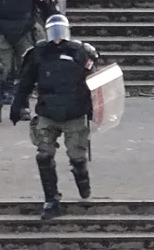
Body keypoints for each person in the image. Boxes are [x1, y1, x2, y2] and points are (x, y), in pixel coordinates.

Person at [7, 14, 97, 219]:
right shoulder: (38, 54)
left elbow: (96, 83)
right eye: (53, 33)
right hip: (47, 111)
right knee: (44, 155)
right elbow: (26, 82)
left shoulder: (82, 52)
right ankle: (51, 199)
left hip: (75, 112)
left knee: (77, 157)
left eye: (60, 33)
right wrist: (17, 104)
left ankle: (82, 178)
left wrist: (96, 109)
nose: (57, 38)